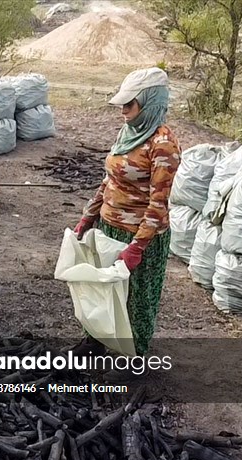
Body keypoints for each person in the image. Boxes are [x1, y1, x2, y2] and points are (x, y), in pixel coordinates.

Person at [71, 67, 181, 376]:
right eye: (122, 105)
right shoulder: (129, 133)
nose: (123, 112)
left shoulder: (162, 145)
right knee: (104, 290)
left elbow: (158, 203)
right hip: (110, 228)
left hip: (141, 236)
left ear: (149, 102)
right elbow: (110, 181)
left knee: (137, 299)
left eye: (129, 105)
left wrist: (138, 246)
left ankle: (133, 358)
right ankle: (95, 341)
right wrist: (89, 215)